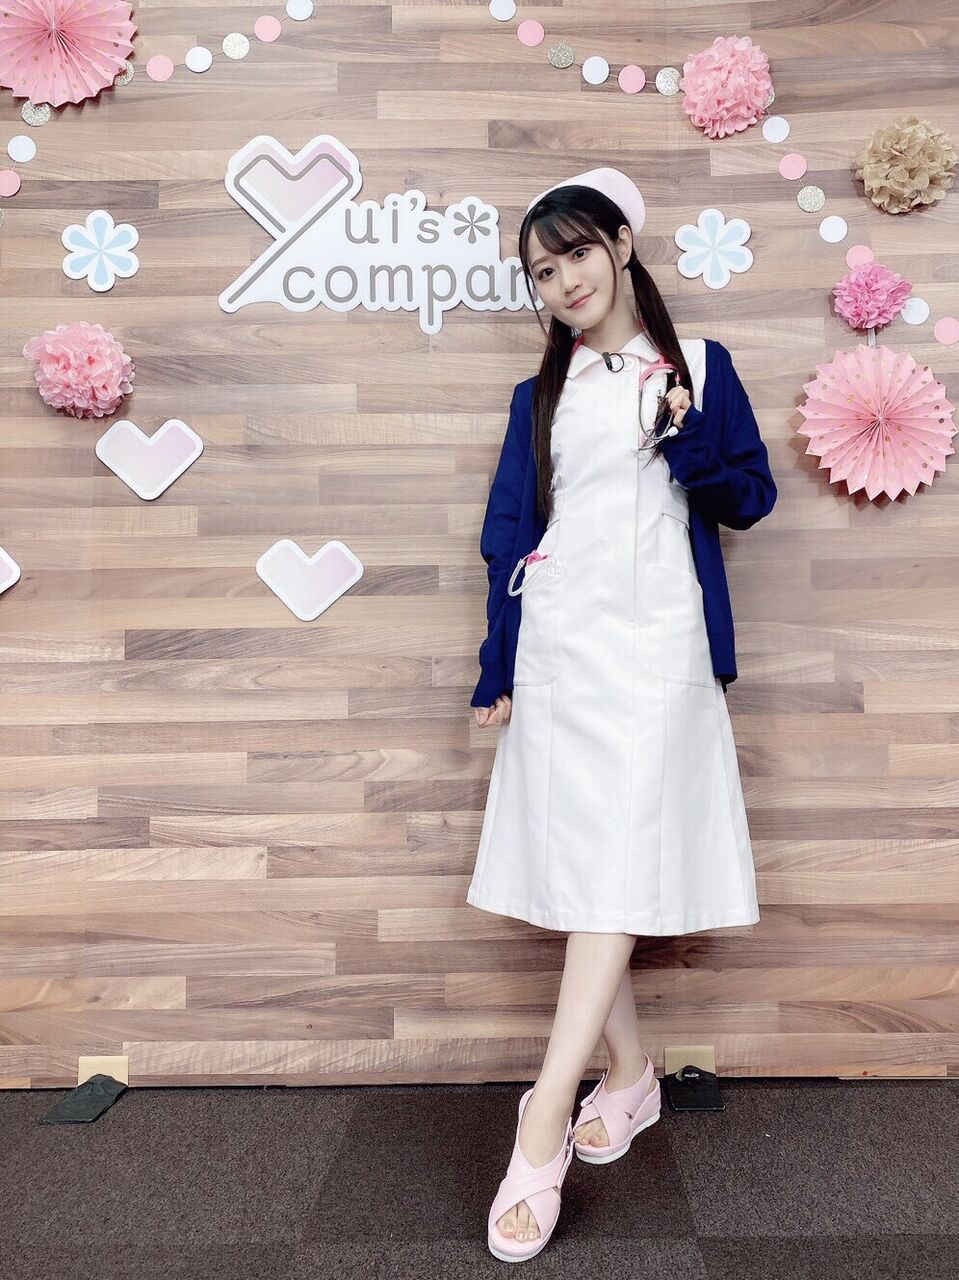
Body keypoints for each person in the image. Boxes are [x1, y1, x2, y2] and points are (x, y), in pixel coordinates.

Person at [467, 167, 778, 1262]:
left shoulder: (702, 368)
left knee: (607, 861)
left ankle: (542, 1114)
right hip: (560, 645)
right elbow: (508, 536)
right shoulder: (537, 398)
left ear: (620, 246)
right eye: (540, 271)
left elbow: (749, 497)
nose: (562, 282)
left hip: (656, 649)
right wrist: (496, 664)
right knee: (579, 859)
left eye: (574, 255)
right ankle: (631, 1075)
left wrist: (689, 439)